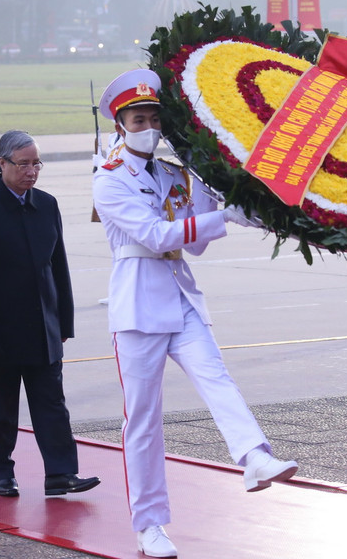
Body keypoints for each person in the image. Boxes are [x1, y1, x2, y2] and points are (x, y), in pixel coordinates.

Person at [92, 69, 299, 558]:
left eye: (153, 118)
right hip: (138, 305)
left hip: (180, 294)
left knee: (216, 376)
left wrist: (259, 200)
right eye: (137, 119)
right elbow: (157, 236)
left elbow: (207, 227)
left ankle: (254, 456)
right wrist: (220, 217)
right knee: (143, 421)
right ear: (120, 124)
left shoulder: (173, 171)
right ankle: (149, 525)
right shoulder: (109, 179)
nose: (148, 126)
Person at [0, 130, 100, 499]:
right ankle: (3, 474)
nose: (31, 171)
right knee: (1, 410)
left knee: (52, 405)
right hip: (0, 332)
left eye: (36, 163)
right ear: (2, 164)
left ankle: (61, 474)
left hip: (44, 328)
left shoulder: (47, 205)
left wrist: (63, 322)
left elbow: (58, 267)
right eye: (23, 164)